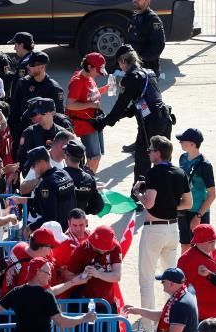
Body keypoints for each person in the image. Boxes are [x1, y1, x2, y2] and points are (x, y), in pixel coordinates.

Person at [131, 135, 191, 330]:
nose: (148, 153)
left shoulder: (154, 173)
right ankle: (169, 321)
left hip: (154, 230)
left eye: (150, 150)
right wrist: (171, 207)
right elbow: (188, 203)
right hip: (173, 228)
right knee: (172, 279)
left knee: (146, 278)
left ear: (158, 153)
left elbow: (149, 203)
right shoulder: (180, 172)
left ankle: (148, 326)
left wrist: (137, 193)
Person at [91, 48, 173, 181]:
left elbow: (121, 105)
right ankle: (167, 192)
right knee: (164, 161)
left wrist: (104, 122)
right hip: (165, 119)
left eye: (119, 64)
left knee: (143, 160)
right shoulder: (149, 73)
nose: (120, 68)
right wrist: (109, 120)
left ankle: (139, 196)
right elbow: (136, 106)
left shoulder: (131, 78)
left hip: (150, 124)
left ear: (123, 61)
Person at [125, 267, 198, 332]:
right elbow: (164, 316)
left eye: (163, 281)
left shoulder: (181, 304)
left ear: (171, 283)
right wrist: (139, 311)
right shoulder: (181, 296)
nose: (161, 283)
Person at [10, 50, 64, 145]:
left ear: (42, 67)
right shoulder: (23, 83)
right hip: (22, 133)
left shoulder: (53, 88)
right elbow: (14, 109)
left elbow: (58, 116)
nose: (27, 67)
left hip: (43, 137)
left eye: (31, 65)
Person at [65, 52, 108, 172]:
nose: (98, 74)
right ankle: (86, 182)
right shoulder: (78, 81)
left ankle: (88, 180)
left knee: (96, 156)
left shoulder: (89, 77)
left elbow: (89, 94)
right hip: (83, 123)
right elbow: (70, 105)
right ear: (89, 67)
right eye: (97, 71)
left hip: (92, 121)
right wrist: (91, 105)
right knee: (94, 157)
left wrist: (105, 89)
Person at [176, 127, 216, 253]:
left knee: (201, 249)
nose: (180, 142)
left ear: (193, 144)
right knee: (185, 246)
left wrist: (199, 215)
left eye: (183, 141)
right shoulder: (182, 158)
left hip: (199, 211)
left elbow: (212, 195)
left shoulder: (205, 165)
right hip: (184, 209)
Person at [63, 226, 123, 310]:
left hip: (107, 303)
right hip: (83, 302)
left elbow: (117, 276)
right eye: (102, 248)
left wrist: (98, 274)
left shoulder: (115, 247)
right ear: (92, 243)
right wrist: (81, 276)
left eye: (108, 248)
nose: (106, 250)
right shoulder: (81, 249)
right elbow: (66, 276)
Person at [178, 224, 216, 320]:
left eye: (215, 240)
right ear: (200, 242)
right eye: (211, 241)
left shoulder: (214, 252)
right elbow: (180, 285)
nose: (214, 243)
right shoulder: (186, 260)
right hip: (199, 314)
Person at [25, 146, 76, 231]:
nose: (32, 169)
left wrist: (31, 227)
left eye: (33, 165)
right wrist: (22, 200)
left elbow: (50, 217)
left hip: (57, 233)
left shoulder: (46, 184)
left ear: (42, 162)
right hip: (70, 229)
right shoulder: (64, 173)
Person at [127, 0, 165, 76]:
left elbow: (158, 45)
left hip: (148, 69)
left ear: (147, 1)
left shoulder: (153, 20)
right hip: (135, 67)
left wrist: (141, 58)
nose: (134, 0)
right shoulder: (134, 16)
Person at [63, 141, 104, 215]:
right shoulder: (89, 179)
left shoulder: (59, 177)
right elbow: (99, 206)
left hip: (61, 222)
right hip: (79, 223)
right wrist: (83, 212)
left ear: (66, 156)